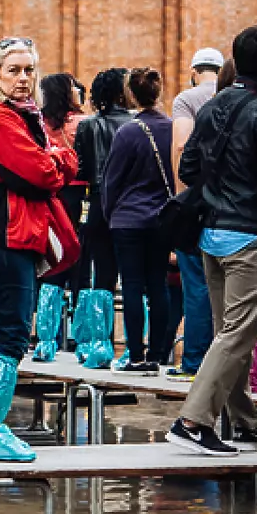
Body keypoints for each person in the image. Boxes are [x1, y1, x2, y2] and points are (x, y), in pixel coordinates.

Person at [168, 25, 257, 456]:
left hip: (210, 234)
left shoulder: (210, 107)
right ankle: (192, 421)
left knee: (232, 334)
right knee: (237, 335)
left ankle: (245, 422)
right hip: (248, 237)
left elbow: (188, 169)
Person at [0, 37, 77, 462]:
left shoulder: (23, 117)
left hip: (20, 235)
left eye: (30, 70)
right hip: (5, 234)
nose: (24, 79)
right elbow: (44, 171)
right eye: (14, 70)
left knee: (13, 330)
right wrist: (56, 159)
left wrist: (55, 159)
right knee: (11, 333)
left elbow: (60, 161)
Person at [101, 68, 177, 372]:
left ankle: (135, 354)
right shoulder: (174, 128)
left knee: (131, 285)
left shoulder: (128, 132)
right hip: (161, 219)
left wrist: (110, 215)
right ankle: (158, 353)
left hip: (128, 219)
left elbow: (111, 181)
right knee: (158, 284)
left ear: (130, 95)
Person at [166, 47, 225, 379]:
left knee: (197, 284)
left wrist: (181, 200)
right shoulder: (236, 96)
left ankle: (194, 363)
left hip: (198, 201)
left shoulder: (187, 99)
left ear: (193, 70)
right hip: (233, 206)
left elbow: (180, 145)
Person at [70, 68, 131, 367]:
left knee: (100, 276)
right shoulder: (137, 124)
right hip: (129, 205)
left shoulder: (88, 126)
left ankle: (98, 342)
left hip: (96, 203)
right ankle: (135, 346)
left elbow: (81, 170)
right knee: (133, 277)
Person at [31, 73, 84, 359]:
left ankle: (45, 337)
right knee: (78, 261)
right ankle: (78, 334)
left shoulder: (37, 124)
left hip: (51, 195)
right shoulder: (78, 124)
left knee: (52, 260)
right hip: (78, 196)